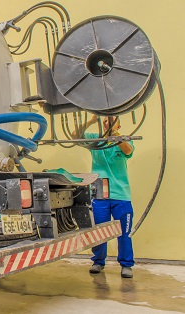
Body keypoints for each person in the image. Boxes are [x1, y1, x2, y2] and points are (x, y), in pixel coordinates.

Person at [73, 115, 135, 278]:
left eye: (113, 119)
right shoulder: (95, 140)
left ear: (119, 125)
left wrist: (114, 135)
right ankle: (98, 262)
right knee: (99, 230)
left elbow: (128, 150)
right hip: (99, 191)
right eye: (106, 119)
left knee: (124, 232)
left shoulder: (124, 140)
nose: (108, 121)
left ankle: (126, 264)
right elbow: (74, 135)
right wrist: (92, 120)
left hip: (121, 194)